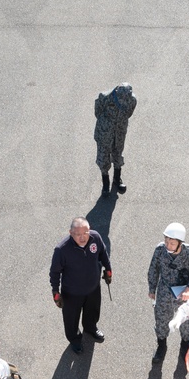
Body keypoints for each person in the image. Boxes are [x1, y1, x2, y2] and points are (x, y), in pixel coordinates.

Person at [50, 217, 112, 354]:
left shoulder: (95, 238)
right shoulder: (62, 250)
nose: (83, 237)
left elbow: (103, 254)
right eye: (78, 234)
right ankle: (74, 339)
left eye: (85, 233)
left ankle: (90, 328)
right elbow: (54, 273)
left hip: (93, 288)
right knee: (71, 319)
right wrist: (55, 293)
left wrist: (108, 270)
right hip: (72, 293)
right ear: (71, 233)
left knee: (93, 311)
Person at [147, 222, 189, 364]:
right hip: (164, 292)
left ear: (180, 243)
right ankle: (161, 346)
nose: (168, 245)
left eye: (172, 243)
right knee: (161, 321)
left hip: (183, 294)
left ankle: (184, 347)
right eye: (166, 241)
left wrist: (188, 289)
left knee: (186, 324)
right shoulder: (160, 250)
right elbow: (153, 270)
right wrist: (152, 289)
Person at [94, 83, 136, 196]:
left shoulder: (132, 100)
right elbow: (98, 111)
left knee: (118, 154)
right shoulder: (105, 97)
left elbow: (129, 113)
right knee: (103, 158)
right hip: (104, 132)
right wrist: (106, 124)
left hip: (119, 132)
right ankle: (105, 184)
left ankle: (117, 179)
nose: (123, 102)